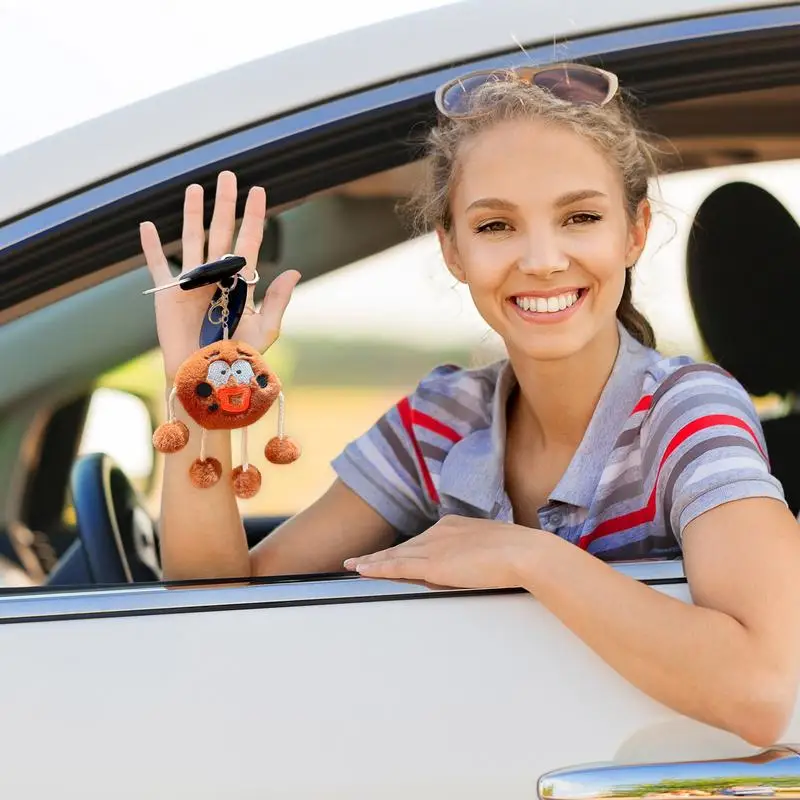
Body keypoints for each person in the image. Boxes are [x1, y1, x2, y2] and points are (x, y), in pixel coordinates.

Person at [140, 64, 800, 746]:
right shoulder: (442, 417)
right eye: (496, 226)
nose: (542, 259)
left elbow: (759, 691)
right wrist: (199, 385)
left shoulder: (689, 414)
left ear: (633, 233)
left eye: (580, 217)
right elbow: (216, 606)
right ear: (452, 250)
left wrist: (527, 558)